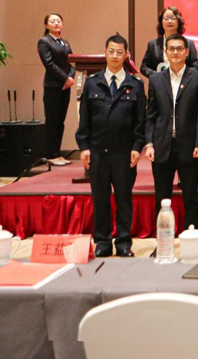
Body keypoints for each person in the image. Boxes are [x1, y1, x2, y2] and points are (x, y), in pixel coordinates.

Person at [75, 34, 145, 258]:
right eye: (111, 51)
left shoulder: (135, 85)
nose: (115, 56)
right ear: (105, 53)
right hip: (97, 152)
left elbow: (140, 121)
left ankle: (124, 242)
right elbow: (84, 119)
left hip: (124, 153)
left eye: (119, 52)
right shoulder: (92, 83)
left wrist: (137, 146)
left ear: (126, 55)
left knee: (124, 199)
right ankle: (103, 242)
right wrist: (83, 146)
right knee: (100, 199)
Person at [143, 33, 198, 249]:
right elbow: (150, 115)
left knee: (191, 197)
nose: (175, 52)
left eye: (179, 48)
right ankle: (163, 245)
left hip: (189, 146)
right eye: (171, 49)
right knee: (162, 198)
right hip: (162, 146)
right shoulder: (155, 79)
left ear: (187, 52)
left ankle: (193, 244)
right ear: (165, 53)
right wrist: (149, 143)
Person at [37, 13, 75, 166]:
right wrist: (65, 78)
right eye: (52, 21)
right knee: (52, 121)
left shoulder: (65, 43)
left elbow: (72, 61)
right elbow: (49, 64)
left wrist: (70, 78)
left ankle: (58, 154)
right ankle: (51, 155)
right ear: (46, 25)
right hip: (53, 86)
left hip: (65, 86)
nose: (56, 23)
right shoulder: (44, 42)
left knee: (60, 121)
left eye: (58, 21)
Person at [140, 6, 198, 78]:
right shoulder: (153, 45)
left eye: (173, 18)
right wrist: (157, 77)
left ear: (179, 21)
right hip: (160, 83)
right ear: (161, 22)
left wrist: (184, 77)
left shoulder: (189, 44)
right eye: (166, 18)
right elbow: (144, 67)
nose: (169, 21)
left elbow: (195, 66)